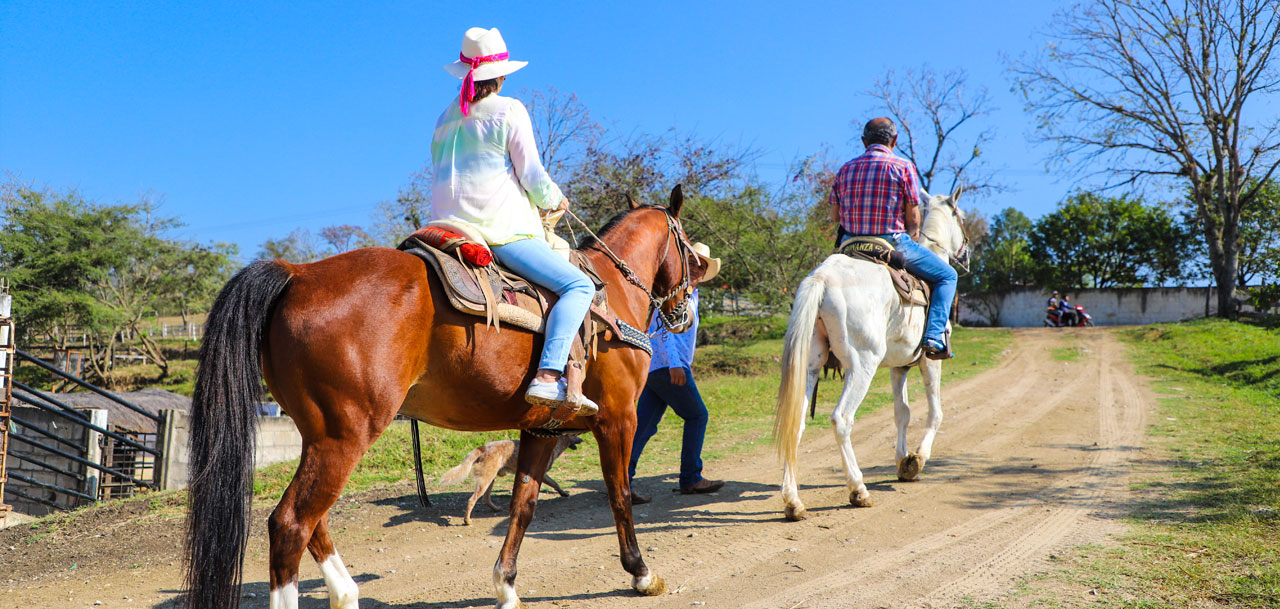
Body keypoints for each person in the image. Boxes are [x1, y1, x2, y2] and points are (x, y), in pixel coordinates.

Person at [430, 27, 596, 414]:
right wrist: (556, 199)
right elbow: (533, 176)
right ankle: (549, 376)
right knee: (579, 286)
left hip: (443, 231)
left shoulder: (443, 118)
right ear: (501, 76)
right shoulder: (509, 110)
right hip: (498, 232)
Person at [830, 118, 958, 358]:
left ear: (863, 141)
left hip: (849, 245)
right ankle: (933, 336)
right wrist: (913, 233)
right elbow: (913, 218)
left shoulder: (845, 169)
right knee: (947, 275)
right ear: (895, 140)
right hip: (891, 242)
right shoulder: (902, 166)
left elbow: (834, 215)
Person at [628, 243, 726, 504]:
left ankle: (621, 481)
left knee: (644, 426)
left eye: (701, 266)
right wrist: (675, 364)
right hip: (667, 365)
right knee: (697, 416)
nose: (696, 269)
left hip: (656, 366)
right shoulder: (676, 291)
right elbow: (663, 328)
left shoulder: (691, 294)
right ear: (683, 264)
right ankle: (691, 478)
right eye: (692, 263)